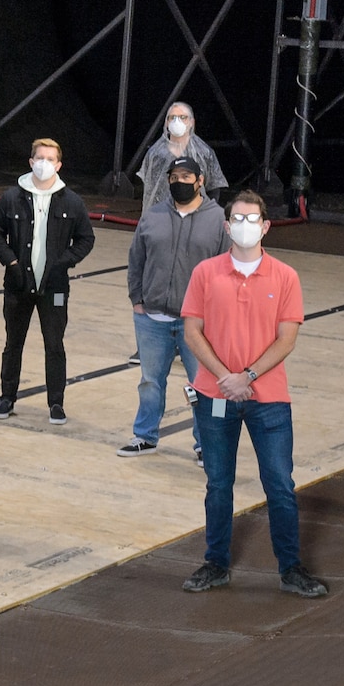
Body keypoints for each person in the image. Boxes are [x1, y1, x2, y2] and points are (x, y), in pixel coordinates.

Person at [179, 189, 327, 597]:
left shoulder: (285, 277)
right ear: (227, 227)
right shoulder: (205, 274)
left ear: (265, 226)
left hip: (270, 400)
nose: (245, 226)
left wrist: (246, 375)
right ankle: (216, 563)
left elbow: (287, 339)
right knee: (218, 484)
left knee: (279, 484)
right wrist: (225, 377)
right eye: (237, 220)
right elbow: (192, 332)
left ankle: (291, 568)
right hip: (215, 396)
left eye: (252, 219)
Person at [119, 153, 227, 458]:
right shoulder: (152, 216)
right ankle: (145, 436)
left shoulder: (217, 219)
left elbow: (225, 269)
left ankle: (206, 445)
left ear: (201, 181)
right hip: (152, 318)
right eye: (174, 177)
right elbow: (136, 260)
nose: (180, 182)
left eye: (186, 177)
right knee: (150, 382)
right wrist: (137, 300)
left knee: (203, 385)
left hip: (198, 323)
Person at [0, 138, 95, 423]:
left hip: (55, 288)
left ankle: (56, 404)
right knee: (13, 343)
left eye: (50, 159)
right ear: (31, 161)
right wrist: (11, 262)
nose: (44, 163)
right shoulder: (12, 197)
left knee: (54, 344)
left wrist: (64, 262)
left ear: (58, 165)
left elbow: (86, 239)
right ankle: (6, 398)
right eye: (40, 158)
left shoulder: (72, 201)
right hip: (18, 285)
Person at [138, 100, 228, 213]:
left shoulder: (203, 153)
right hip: (162, 218)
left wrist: (207, 214)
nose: (177, 121)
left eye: (183, 117)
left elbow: (213, 187)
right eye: (172, 117)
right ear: (166, 122)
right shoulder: (155, 154)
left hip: (196, 218)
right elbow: (149, 191)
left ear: (192, 122)